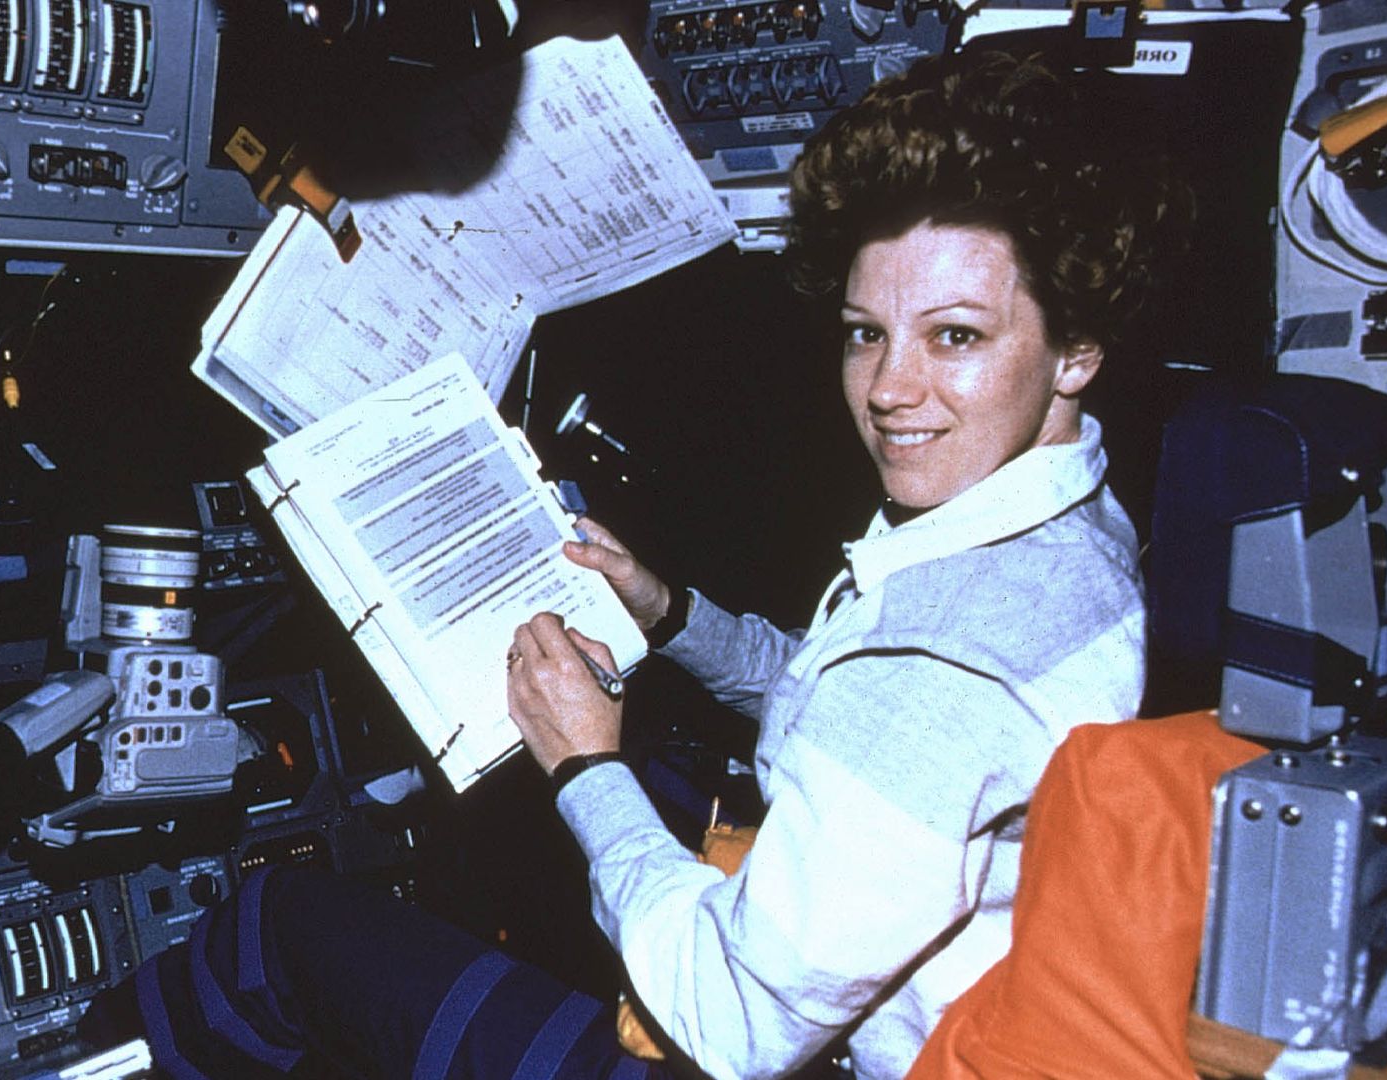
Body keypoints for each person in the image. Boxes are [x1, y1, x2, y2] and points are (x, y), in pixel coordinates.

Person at [79, 47, 1187, 1080]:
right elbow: (842, 688)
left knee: (283, 926)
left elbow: (734, 1019)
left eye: (956, 337)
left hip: (765, 1038)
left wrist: (583, 768)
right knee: (635, 786)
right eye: (865, 333)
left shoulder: (953, 656)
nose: (891, 389)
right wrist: (674, 616)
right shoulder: (1062, 537)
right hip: (858, 983)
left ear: (1078, 346)